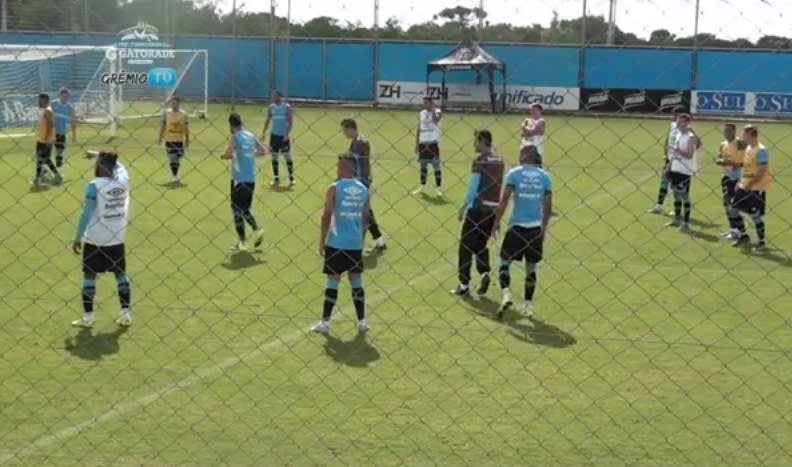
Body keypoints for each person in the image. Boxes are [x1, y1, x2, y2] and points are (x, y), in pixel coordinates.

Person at [71, 151, 131, 328]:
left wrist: (77, 238)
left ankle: (88, 317)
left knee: (90, 274)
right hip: (117, 237)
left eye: (98, 162)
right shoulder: (123, 180)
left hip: (96, 238)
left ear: (103, 165)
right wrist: (97, 153)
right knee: (120, 273)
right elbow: (120, 165)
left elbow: (86, 213)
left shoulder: (94, 186)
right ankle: (126, 313)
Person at [312, 156, 371, 334]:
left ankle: (325, 322)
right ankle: (362, 321)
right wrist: (359, 239)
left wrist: (322, 240)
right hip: (354, 243)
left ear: (343, 167)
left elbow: (326, 215)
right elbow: (366, 218)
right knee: (356, 281)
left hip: (336, 241)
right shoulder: (363, 189)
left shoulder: (334, 188)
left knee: (333, 281)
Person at [493, 145, 552, 319]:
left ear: (526, 156)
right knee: (531, 267)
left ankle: (506, 294)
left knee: (504, 261)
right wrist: (544, 227)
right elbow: (547, 205)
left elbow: (503, 201)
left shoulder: (514, 174)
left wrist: (496, 222)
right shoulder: (545, 177)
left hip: (516, 227)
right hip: (534, 229)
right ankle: (527, 305)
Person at [452, 129, 504, 298]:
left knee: (465, 246)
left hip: (478, 209)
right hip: (492, 209)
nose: (474, 144)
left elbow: (474, 187)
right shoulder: (499, 161)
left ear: (482, 141)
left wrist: (463, 207)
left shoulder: (480, 162)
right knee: (481, 244)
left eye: (475, 141)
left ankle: (464, 284)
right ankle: (484, 273)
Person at [221, 113, 268, 252]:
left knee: (236, 210)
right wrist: (250, 154)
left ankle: (242, 241)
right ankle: (258, 229)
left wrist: (228, 155)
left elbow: (227, 154)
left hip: (238, 179)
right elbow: (264, 151)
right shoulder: (250, 135)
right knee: (245, 209)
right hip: (250, 179)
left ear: (231, 125)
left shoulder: (235, 137)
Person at [341, 118, 386, 254]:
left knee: (362, 213)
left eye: (344, 130)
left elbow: (353, 159)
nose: (344, 133)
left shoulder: (361, 142)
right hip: (358, 180)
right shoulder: (356, 142)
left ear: (351, 128)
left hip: (362, 181)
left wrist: (343, 157)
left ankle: (358, 243)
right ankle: (379, 240)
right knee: (365, 212)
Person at [731, 125, 771, 249]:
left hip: (755, 188)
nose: (742, 136)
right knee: (733, 210)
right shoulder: (748, 148)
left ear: (750, 134)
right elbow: (746, 167)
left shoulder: (761, 150)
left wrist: (750, 184)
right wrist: (741, 182)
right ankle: (743, 235)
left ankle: (761, 241)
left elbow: (761, 171)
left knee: (755, 216)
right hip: (745, 186)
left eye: (744, 134)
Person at [648, 106, 685, 214]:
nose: (672, 117)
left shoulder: (685, 128)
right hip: (669, 159)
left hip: (678, 160)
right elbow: (668, 139)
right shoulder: (673, 125)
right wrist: (665, 153)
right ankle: (659, 205)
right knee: (664, 181)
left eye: (675, 114)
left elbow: (695, 143)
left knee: (676, 185)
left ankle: (676, 208)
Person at [666, 113, 697, 232]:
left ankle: (686, 223)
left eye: (681, 122)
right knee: (676, 194)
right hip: (675, 168)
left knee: (685, 196)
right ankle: (676, 218)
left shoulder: (690, 137)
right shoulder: (678, 134)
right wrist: (668, 166)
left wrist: (679, 151)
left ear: (687, 123)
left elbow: (689, 155)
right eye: (678, 121)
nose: (678, 123)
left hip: (684, 171)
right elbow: (673, 154)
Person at [715, 123, 746, 240]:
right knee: (726, 203)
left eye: (728, 131)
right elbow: (719, 156)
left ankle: (738, 231)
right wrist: (720, 159)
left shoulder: (740, 143)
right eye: (725, 131)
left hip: (737, 178)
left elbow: (744, 162)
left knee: (733, 204)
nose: (726, 133)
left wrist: (728, 163)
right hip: (726, 176)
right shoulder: (723, 144)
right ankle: (733, 229)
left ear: (734, 131)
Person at [262, 90, 295, 187]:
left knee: (287, 156)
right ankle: (276, 178)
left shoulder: (287, 107)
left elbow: (290, 122)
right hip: (274, 136)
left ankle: (291, 178)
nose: (273, 97)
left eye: (275, 96)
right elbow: (268, 120)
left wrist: (286, 134)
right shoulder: (271, 107)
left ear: (280, 97)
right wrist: (264, 132)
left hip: (283, 136)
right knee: (274, 156)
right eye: (272, 96)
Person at [412, 96, 443, 196]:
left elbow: (436, 120)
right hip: (423, 143)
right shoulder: (421, 113)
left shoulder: (438, 111)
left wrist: (433, 109)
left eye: (426, 102)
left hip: (433, 143)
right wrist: (417, 144)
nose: (424, 104)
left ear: (431, 103)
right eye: (424, 102)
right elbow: (419, 128)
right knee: (423, 165)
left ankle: (438, 188)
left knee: (436, 166)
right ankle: (422, 186)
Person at [31, 93, 62, 186]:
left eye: (42, 100)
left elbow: (50, 125)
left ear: (46, 101)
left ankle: (38, 179)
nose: (40, 102)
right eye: (39, 100)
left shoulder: (48, 111)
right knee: (43, 158)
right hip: (42, 138)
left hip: (46, 139)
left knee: (41, 158)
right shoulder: (42, 110)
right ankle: (56, 174)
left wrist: (47, 138)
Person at [158, 96, 189, 184]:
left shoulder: (183, 114)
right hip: (169, 140)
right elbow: (163, 126)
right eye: (172, 103)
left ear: (179, 104)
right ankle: (175, 176)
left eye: (175, 103)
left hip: (179, 140)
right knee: (172, 158)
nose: (173, 105)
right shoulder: (166, 113)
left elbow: (186, 127)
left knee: (178, 158)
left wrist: (187, 139)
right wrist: (160, 137)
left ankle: (175, 174)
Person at [51, 87, 77, 169]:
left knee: (59, 153)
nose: (66, 98)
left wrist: (74, 135)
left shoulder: (70, 107)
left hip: (61, 133)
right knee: (45, 152)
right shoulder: (53, 104)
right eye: (64, 96)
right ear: (60, 96)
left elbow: (73, 122)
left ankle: (58, 171)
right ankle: (44, 170)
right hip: (50, 132)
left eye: (67, 97)